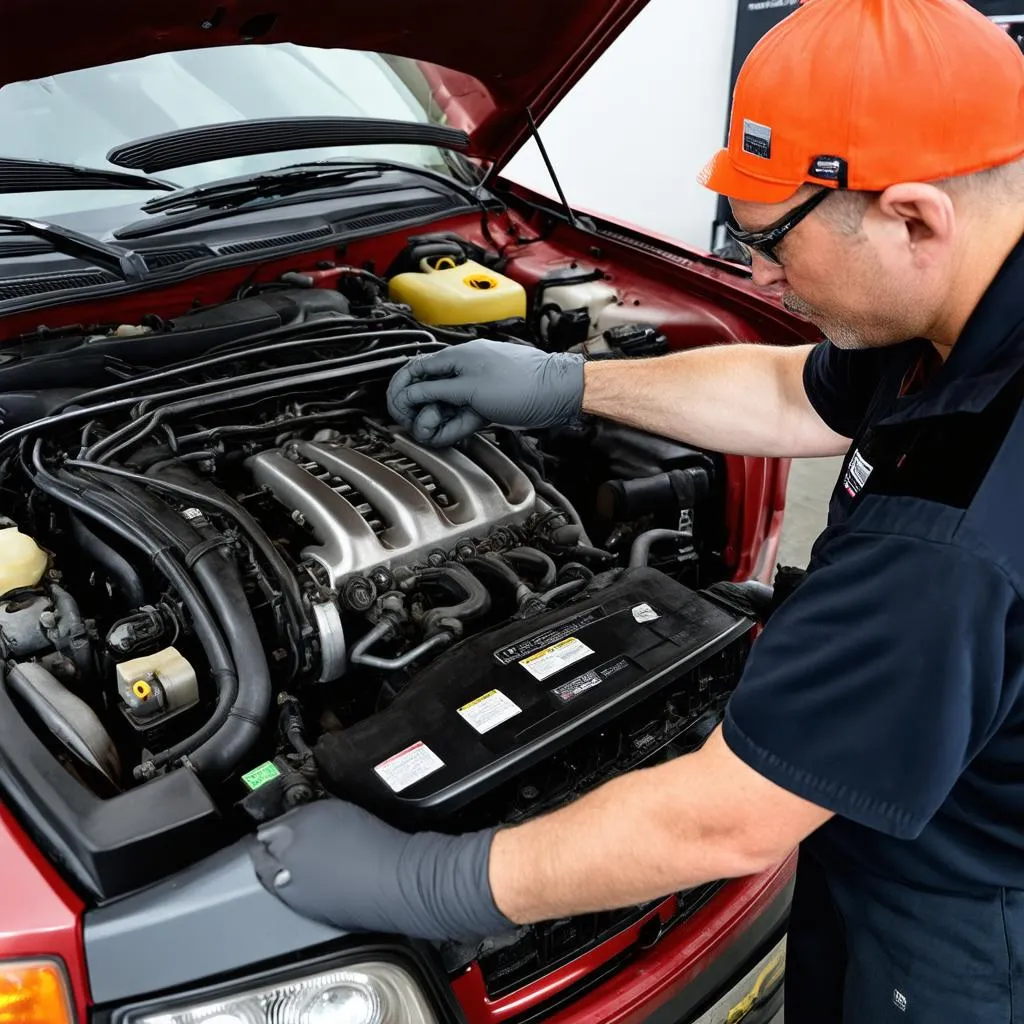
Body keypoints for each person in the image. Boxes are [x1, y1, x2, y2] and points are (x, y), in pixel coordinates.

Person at [251, 1, 1024, 1019]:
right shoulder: (965, 300)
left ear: (914, 217)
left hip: (958, 912)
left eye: (772, 242)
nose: (757, 276)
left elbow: (725, 826)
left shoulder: (951, 529)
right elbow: (799, 393)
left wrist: (423, 882)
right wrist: (569, 386)